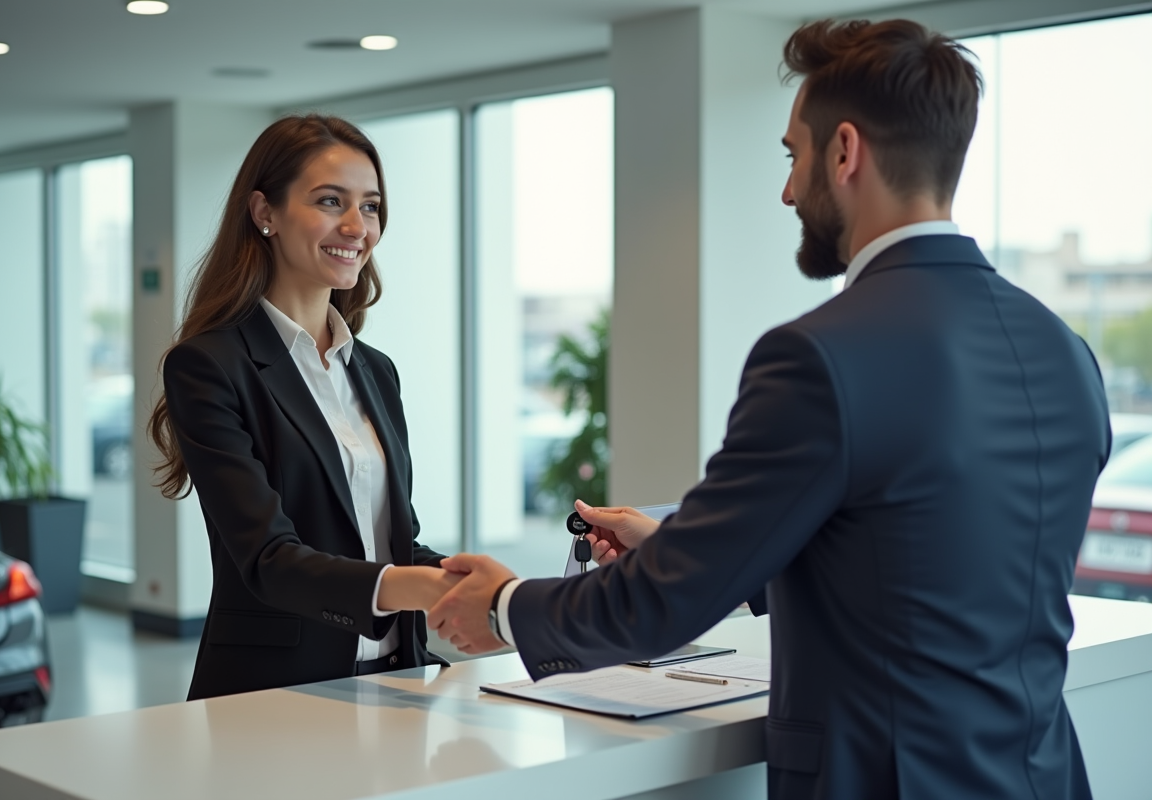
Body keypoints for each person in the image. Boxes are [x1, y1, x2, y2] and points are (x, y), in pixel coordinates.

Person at [428, 19, 1108, 800]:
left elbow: (661, 608)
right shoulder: (1063, 349)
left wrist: (507, 606)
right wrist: (688, 542)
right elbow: (931, 553)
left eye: (794, 155)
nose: (787, 190)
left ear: (845, 151)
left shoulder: (819, 356)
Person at [149, 115, 460, 700]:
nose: (356, 226)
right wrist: (416, 585)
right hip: (276, 692)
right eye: (329, 201)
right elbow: (268, 558)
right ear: (265, 212)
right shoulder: (209, 366)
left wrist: (482, 584)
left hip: (399, 679)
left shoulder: (376, 370)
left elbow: (392, 541)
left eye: (370, 206)